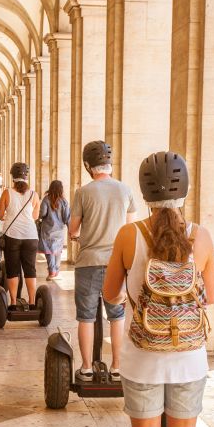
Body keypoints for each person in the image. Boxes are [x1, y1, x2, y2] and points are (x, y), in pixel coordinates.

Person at [102, 151, 214, 427]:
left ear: (145, 191)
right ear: (184, 189)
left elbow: (110, 294)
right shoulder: (200, 236)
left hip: (142, 357)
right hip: (189, 357)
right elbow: (213, 297)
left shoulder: (128, 235)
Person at [68, 140, 136, 380]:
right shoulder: (125, 190)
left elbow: (73, 228)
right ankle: (117, 368)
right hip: (117, 262)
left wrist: (78, 234)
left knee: (86, 317)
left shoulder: (83, 192)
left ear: (88, 165)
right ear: (109, 164)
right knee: (116, 316)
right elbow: (130, 230)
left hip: (88, 261)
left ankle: (86, 368)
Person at [0, 162, 40, 308]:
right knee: (30, 269)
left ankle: (14, 302)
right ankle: (33, 301)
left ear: (12, 177)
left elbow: (0, 214)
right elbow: (35, 216)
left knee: (12, 269)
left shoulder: (7, 192)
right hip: (31, 236)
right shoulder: (34, 194)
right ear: (26, 176)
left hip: (12, 235)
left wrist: (7, 216)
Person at [39, 179, 70, 280]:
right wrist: (71, 230)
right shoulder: (64, 201)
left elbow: (42, 214)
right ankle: (56, 270)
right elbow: (67, 218)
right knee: (57, 250)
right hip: (59, 230)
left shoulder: (46, 199)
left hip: (47, 229)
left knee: (49, 250)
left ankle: (51, 271)